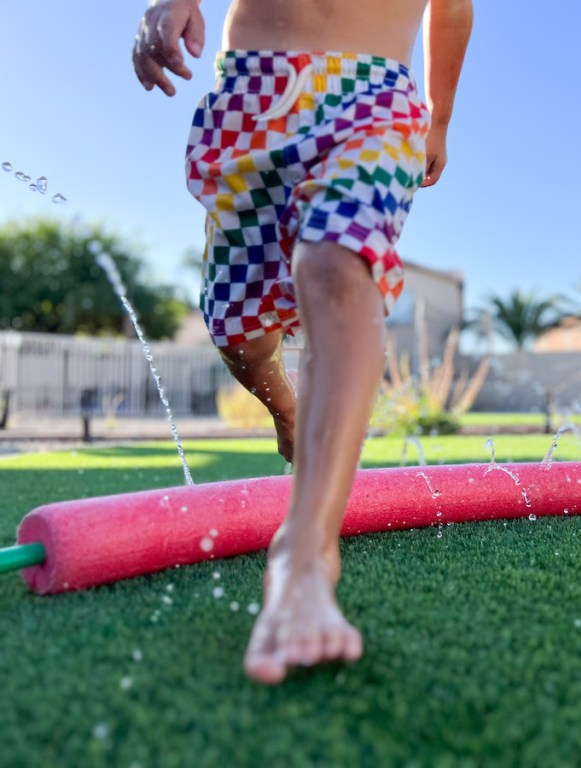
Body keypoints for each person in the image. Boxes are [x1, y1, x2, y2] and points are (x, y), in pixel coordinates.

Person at [131, 0, 473, 684]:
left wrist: (438, 115)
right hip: (254, 91)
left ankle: (306, 551)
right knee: (237, 331)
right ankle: (286, 408)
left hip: (375, 95)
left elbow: (455, 8)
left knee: (336, 265)